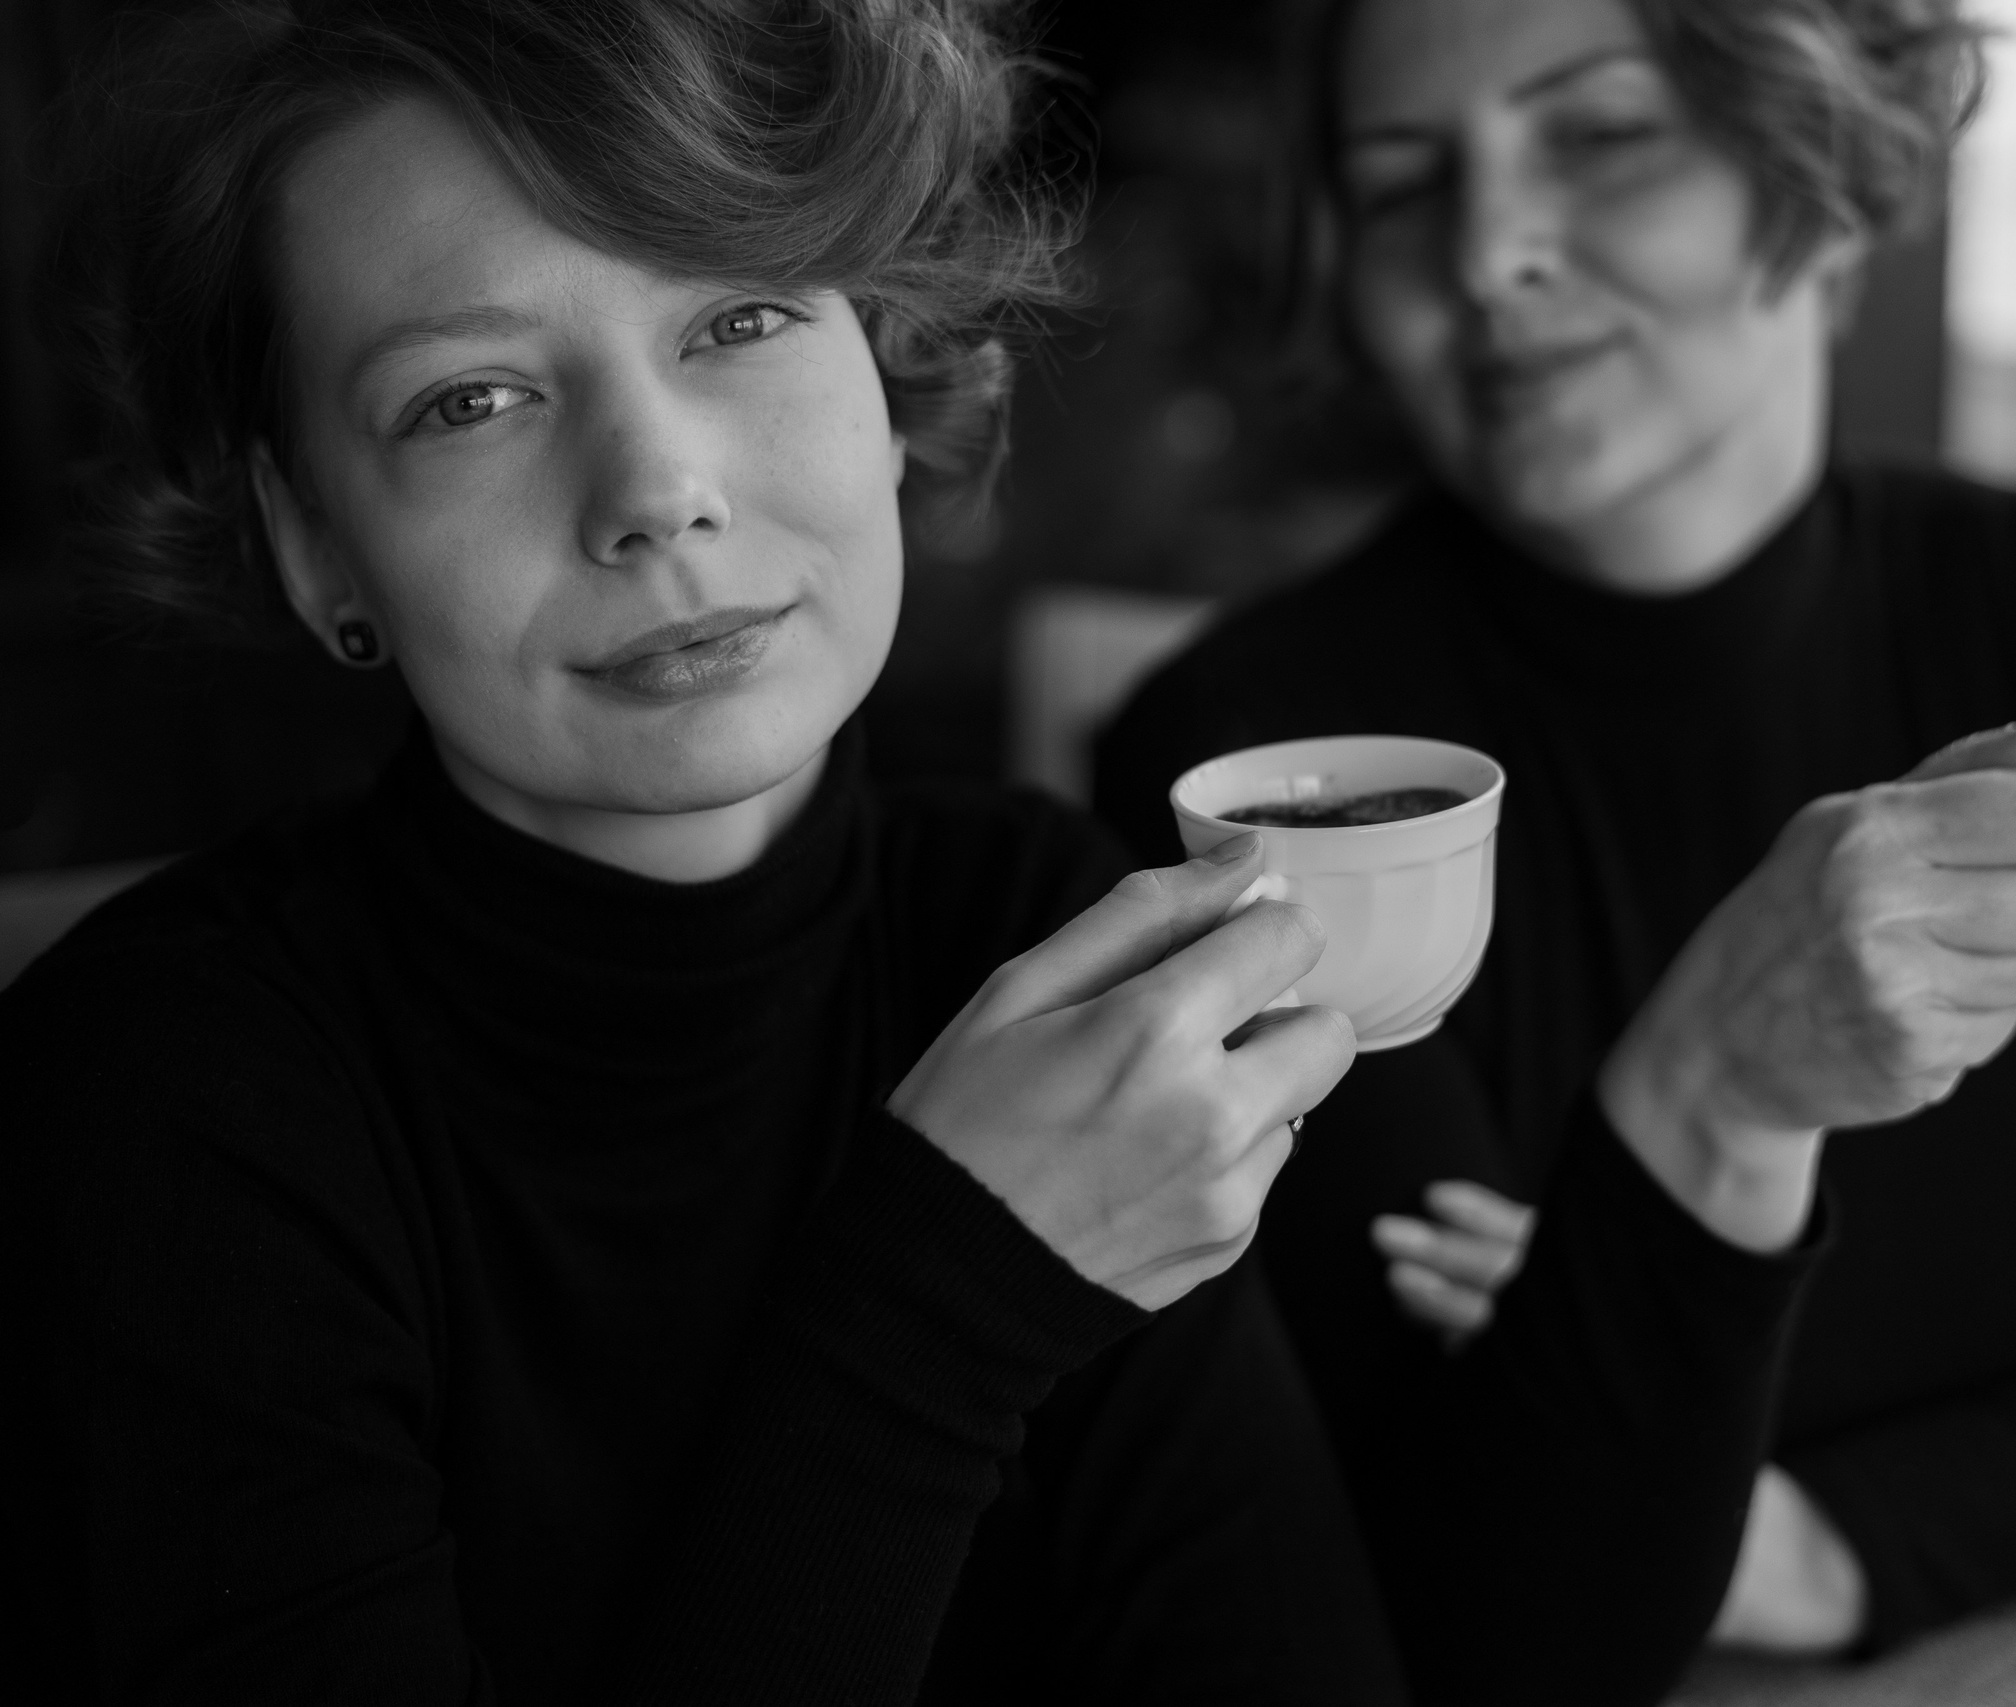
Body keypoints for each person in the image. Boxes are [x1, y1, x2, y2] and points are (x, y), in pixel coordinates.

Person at [0, 2, 1453, 1701]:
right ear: (315, 542)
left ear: (893, 365)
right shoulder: (158, 1100)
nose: (657, 488)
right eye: (469, 399)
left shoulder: (1039, 927)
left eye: (743, 315)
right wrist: (953, 1295)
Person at [1095, 0, 2016, 1681]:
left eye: (1602, 136)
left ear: (1821, 153)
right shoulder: (1255, 769)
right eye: (1400, 184)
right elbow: (1469, 1580)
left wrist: (1802, 1534)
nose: (1490, 252)